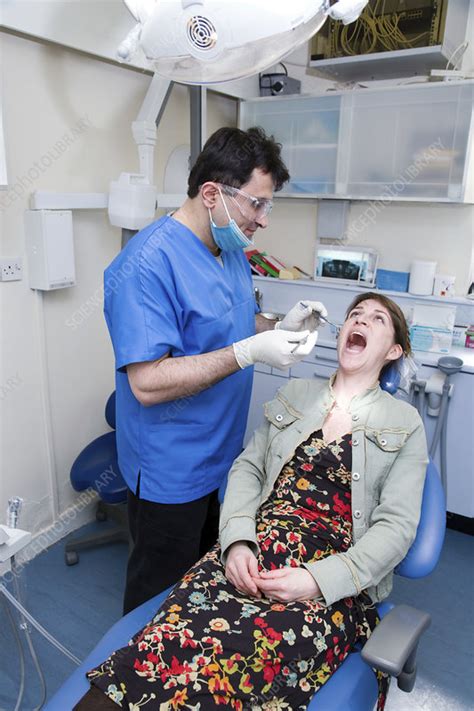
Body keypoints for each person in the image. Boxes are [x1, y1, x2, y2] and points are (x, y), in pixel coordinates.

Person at [75, 292, 428, 710]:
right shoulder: (295, 395)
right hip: (255, 549)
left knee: (246, 660)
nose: (361, 321)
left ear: (393, 350)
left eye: (377, 319)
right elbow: (248, 470)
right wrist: (238, 541)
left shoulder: (404, 424)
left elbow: (397, 527)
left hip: (329, 577)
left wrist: (318, 580)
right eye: (355, 314)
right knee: (171, 636)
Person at [103, 125, 327, 614]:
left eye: (268, 206)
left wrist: (276, 325)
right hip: (171, 465)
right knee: (158, 600)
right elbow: (146, 383)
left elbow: (229, 319)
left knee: (201, 584)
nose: (263, 220)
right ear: (211, 194)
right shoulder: (145, 266)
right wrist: (249, 352)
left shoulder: (228, 249)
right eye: (257, 204)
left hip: (220, 456)